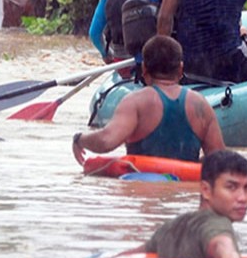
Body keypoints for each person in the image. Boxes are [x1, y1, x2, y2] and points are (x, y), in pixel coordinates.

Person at [76, 149, 247, 258]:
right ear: (206, 190)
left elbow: (134, 253)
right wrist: (229, 255)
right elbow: (220, 239)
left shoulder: (172, 227)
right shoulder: (217, 224)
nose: (243, 198)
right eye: (231, 187)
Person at [72, 35, 225, 164]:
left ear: (144, 69)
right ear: (180, 69)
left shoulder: (135, 102)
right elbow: (219, 159)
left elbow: (107, 140)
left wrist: (80, 139)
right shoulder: (201, 104)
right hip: (186, 194)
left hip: (143, 187)